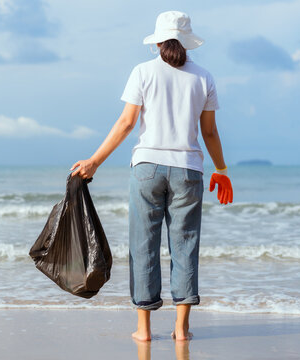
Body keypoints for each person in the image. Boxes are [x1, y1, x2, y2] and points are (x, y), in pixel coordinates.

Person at [71, 10, 233, 342]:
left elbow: (127, 123)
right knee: (185, 247)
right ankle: (181, 329)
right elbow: (210, 133)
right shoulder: (204, 77)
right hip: (188, 170)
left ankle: (144, 330)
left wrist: (95, 161)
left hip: (147, 168)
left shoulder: (142, 72)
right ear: (188, 42)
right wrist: (221, 169)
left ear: (158, 41)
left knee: (144, 247)